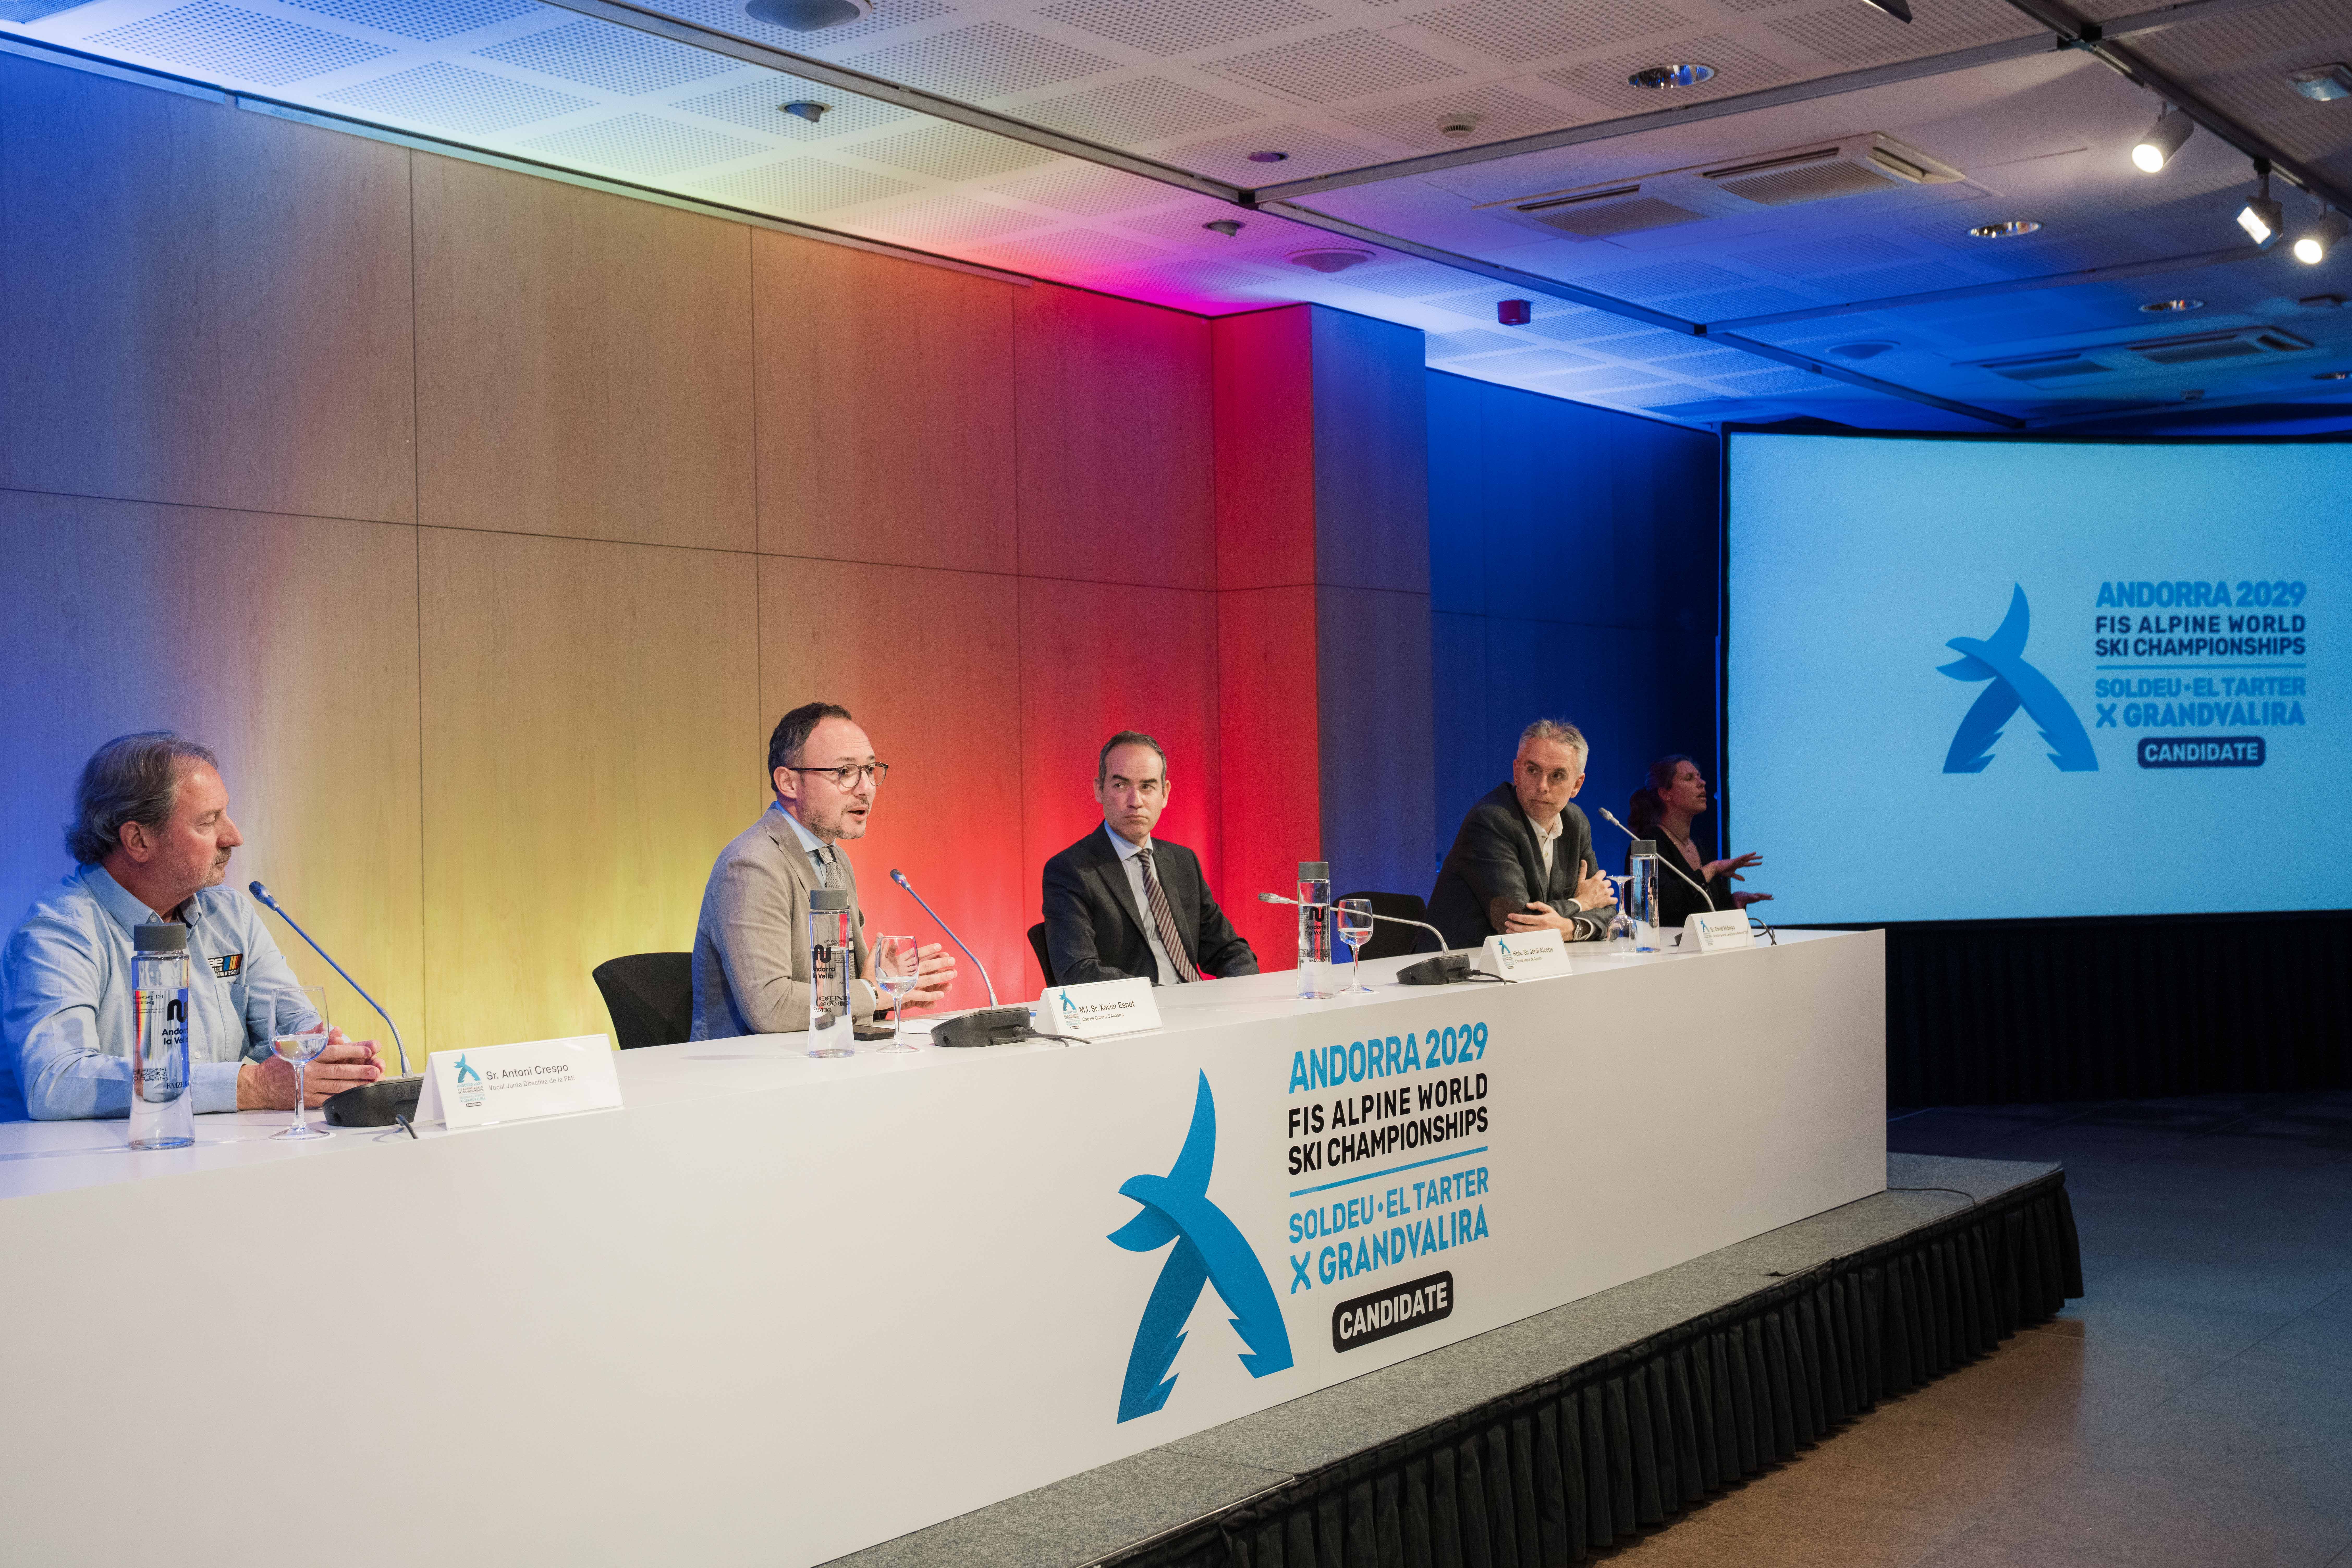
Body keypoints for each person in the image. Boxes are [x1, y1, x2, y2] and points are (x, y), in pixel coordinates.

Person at [0, 732, 384, 1121]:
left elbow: (294, 1025)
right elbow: (56, 1080)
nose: (234, 836)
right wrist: (251, 1085)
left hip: (221, 1159)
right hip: (99, 1171)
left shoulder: (231, 914)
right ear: (138, 839)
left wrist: (327, 1053)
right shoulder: (59, 932)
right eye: (209, 821)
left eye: (226, 814)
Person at [691, 702, 954, 1041]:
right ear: (788, 782)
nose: (866, 788)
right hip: (751, 1075)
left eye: (870, 769)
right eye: (845, 771)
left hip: (828, 1055)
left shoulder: (834, 860)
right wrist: (872, 992)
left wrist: (885, 982)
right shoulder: (751, 865)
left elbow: (841, 991)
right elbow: (770, 1007)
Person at [1041, 731, 1257, 988]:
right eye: (1120, 786)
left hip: (1199, 1010)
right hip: (1137, 1016)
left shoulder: (1183, 861)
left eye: (1147, 787)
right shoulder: (1071, 870)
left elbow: (1228, 949)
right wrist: (1164, 1000)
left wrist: (1242, 992)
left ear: (1164, 794)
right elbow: (1079, 972)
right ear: (1099, 790)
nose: (1136, 802)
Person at [1427, 719, 1617, 951]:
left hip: (1533, 964)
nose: (1542, 786)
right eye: (1533, 770)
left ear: (1577, 785)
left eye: (1557, 775)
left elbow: (1607, 908)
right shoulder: (1490, 821)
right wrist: (1581, 903)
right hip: (1459, 968)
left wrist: (1570, 928)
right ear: (1517, 772)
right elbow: (1517, 922)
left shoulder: (1575, 822)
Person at [1625, 755, 1770, 930]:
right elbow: (1654, 908)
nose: (1702, 783)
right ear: (1665, 794)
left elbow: (1707, 907)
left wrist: (1734, 901)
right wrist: (1712, 869)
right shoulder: (1645, 845)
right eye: (1689, 778)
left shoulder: (1698, 846)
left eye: (1699, 776)